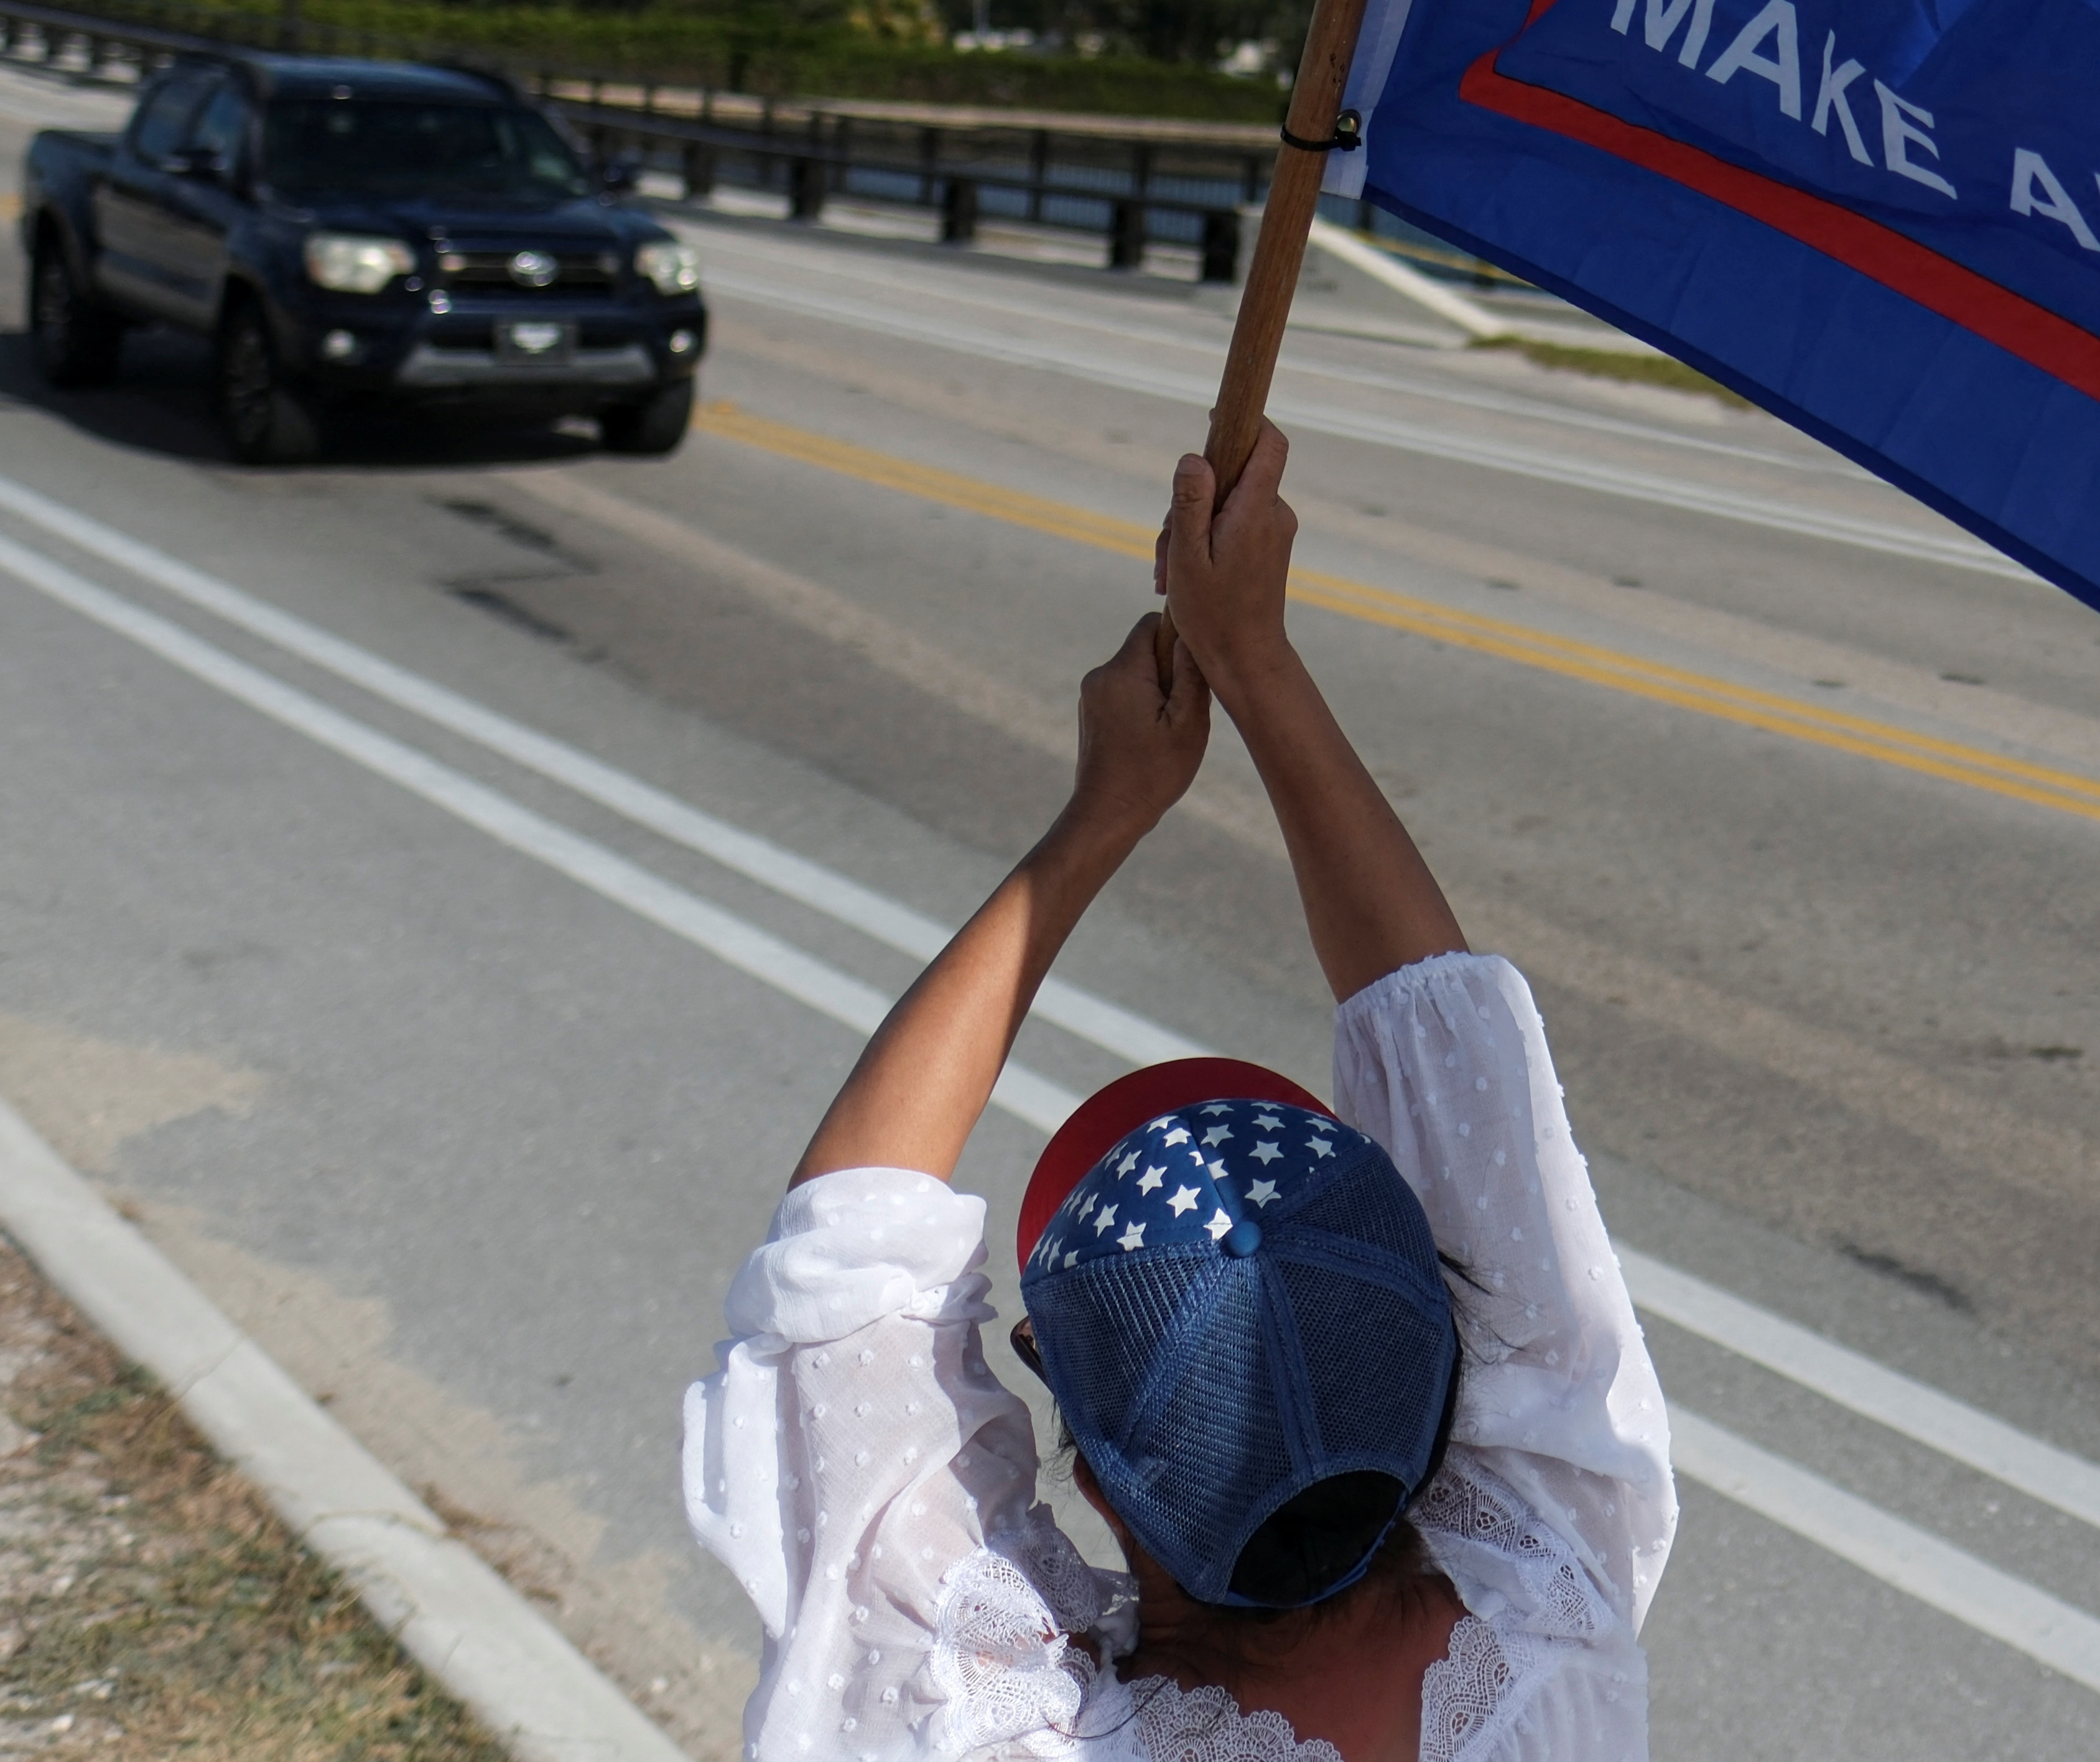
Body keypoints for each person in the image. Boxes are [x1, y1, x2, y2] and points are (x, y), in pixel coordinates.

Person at [681, 427, 1671, 1761]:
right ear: (1444, 1391)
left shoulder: (991, 1726)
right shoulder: (1559, 1624)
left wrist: (1107, 807)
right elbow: (1471, 1072)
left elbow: (841, 1267)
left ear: (1092, 1473)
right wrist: (1257, 656)